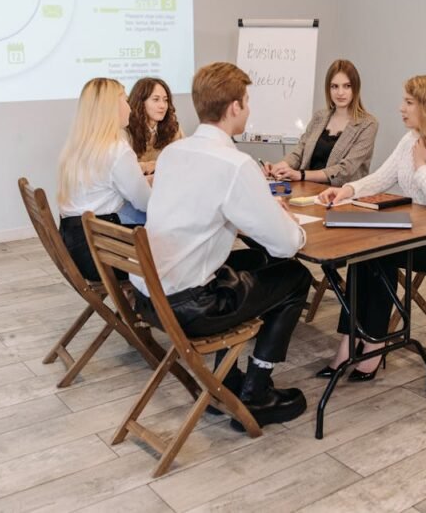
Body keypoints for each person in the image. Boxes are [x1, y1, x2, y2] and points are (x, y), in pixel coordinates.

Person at [134, 62, 314, 430]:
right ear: (234, 107)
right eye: (246, 101)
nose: (248, 109)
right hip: (191, 306)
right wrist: (288, 222)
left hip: (150, 296)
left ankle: (227, 380)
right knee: (294, 275)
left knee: (249, 261)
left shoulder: (173, 154)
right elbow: (285, 245)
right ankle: (257, 392)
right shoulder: (235, 165)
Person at [316, 75, 426, 381]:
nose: (401, 108)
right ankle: (351, 340)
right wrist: (347, 190)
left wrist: (421, 164)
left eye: (408, 102)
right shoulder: (411, 138)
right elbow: (382, 177)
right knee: (363, 252)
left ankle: (372, 344)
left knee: (379, 254)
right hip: (423, 231)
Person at [56, 78, 151, 281]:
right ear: (111, 108)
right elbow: (145, 203)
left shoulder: (79, 146)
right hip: (103, 255)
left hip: (77, 248)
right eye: (125, 101)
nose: (129, 108)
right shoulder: (117, 150)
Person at [265, 59, 378, 186]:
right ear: (328, 89)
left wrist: (302, 175)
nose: (340, 93)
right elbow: (299, 152)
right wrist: (279, 167)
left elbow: (345, 170)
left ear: (356, 88)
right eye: (334, 86)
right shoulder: (319, 117)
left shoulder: (368, 124)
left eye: (347, 86)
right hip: (306, 191)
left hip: (341, 196)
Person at [126, 77, 183, 176]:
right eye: (156, 99)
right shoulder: (126, 130)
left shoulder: (173, 128)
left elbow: (183, 159)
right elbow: (124, 169)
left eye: (165, 100)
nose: (163, 105)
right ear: (140, 102)